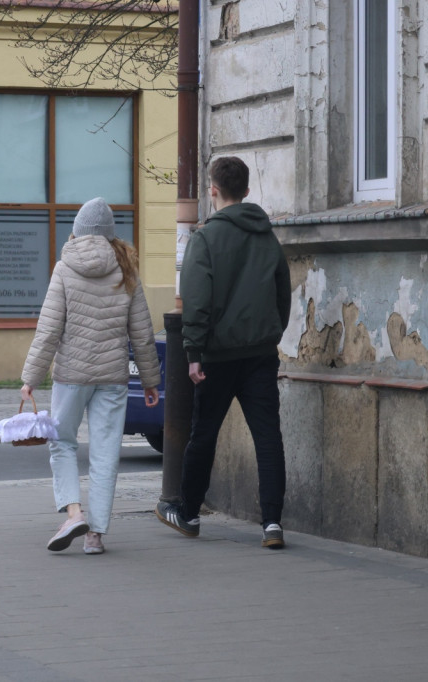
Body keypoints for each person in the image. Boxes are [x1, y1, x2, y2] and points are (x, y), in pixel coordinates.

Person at [155, 156, 291, 549]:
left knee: (204, 435)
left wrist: (193, 351)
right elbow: (283, 293)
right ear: (247, 192)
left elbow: (197, 300)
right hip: (260, 354)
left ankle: (189, 513)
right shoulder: (267, 236)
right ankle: (272, 524)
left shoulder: (205, 239)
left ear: (212, 190)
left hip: (216, 357)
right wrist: (270, 333)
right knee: (268, 437)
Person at [21, 197, 161, 555]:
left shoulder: (64, 268)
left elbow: (49, 329)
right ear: (111, 234)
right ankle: (95, 535)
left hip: (71, 376)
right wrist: (150, 381)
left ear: (78, 231)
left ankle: (73, 512)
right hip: (113, 378)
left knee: (63, 443)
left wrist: (31, 378)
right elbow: (142, 333)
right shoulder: (126, 269)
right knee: (105, 453)